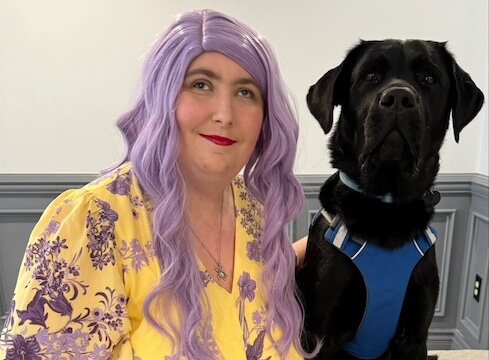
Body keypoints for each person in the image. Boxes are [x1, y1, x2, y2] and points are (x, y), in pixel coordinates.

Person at [0, 9, 316, 360]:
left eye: (245, 92)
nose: (225, 113)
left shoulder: (256, 217)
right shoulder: (92, 222)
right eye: (201, 84)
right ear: (161, 97)